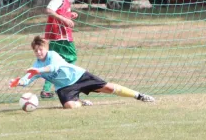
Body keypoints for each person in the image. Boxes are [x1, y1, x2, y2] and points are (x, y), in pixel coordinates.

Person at [11, 36, 155, 109]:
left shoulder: (53, 55)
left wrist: (38, 70)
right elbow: (28, 78)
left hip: (79, 76)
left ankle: (139, 95)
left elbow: (53, 68)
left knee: (109, 88)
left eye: (40, 49)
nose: (38, 52)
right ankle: (81, 102)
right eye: (35, 50)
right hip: (64, 87)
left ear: (46, 48)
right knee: (69, 106)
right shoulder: (36, 66)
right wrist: (19, 82)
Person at [41, 0, 78, 99]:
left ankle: (47, 89)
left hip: (58, 34)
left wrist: (69, 15)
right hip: (61, 34)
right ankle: (69, 86)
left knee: (56, 62)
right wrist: (64, 19)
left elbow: (59, 12)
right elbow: (49, 10)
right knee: (71, 58)